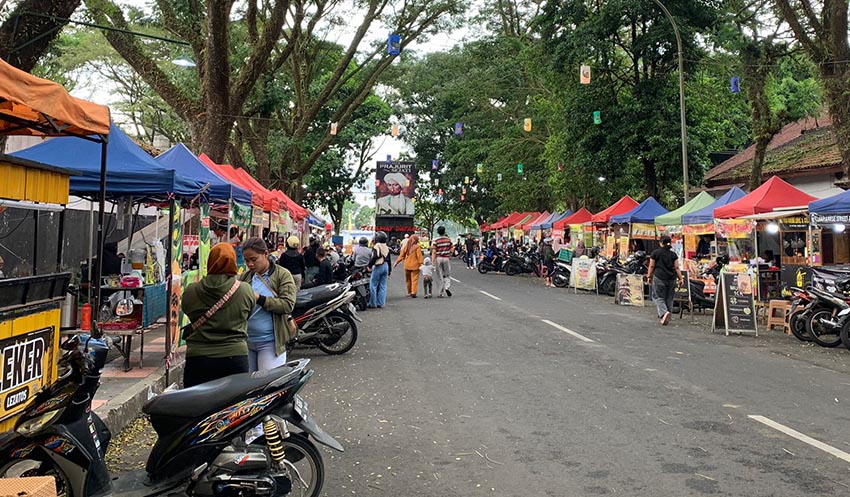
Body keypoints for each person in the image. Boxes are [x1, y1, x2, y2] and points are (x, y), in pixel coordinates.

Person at [181, 243, 256, 388]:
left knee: (196, 408)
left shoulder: (191, 291)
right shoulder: (245, 290)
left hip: (198, 358)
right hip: (235, 357)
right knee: (232, 408)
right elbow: (248, 314)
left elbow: (187, 310)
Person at [239, 238, 297, 372]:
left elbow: (287, 304)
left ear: (265, 254)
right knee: (248, 388)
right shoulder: (245, 277)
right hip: (246, 341)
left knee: (266, 386)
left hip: (271, 342)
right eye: (247, 260)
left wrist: (260, 299)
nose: (250, 264)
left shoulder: (282, 275)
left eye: (253, 259)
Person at [647, 235, 684, 326]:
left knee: (658, 297)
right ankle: (668, 315)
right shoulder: (673, 254)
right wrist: (681, 278)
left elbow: (652, 266)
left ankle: (664, 313)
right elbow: (676, 267)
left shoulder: (655, 253)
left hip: (659, 277)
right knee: (669, 298)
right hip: (671, 278)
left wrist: (649, 276)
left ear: (661, 243)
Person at [368, 231, 391, 308]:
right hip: (386, 266)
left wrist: (369, 266)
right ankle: (381, 303)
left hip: (378, 266)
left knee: (373, 285)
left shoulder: (377, 246)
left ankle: (373, 303)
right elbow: (389, 259)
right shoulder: (386, 246)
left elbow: (374, 256)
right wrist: (389, 271)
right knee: (383, 286)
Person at [431, 226, 453, 297]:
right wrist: (450, 255)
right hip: (446, 258)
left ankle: (441, 293)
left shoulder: (436, 240)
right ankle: (447, 287)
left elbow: (434, 251)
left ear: (438, 232)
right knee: (447, 274)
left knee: (439, 275)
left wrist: (433, 261)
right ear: (444, 231)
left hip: (439, 258)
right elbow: (452, 248)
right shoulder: (448, 240)